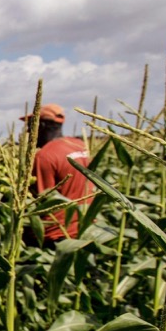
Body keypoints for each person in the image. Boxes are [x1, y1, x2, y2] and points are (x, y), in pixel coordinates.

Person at [21, 103, 95, 245]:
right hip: (86, 227)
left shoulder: (44, 156)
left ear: (41, 126)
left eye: (30, 126)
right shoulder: (79, 145)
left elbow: (43, 199)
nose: (28, 132)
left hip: (56, 234)